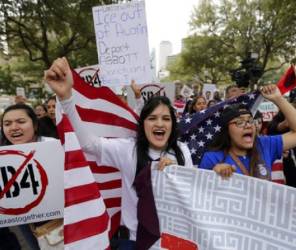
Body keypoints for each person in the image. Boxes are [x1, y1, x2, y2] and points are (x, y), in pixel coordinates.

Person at [44, 57, 193, 249]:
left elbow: (191, 196)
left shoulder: (182, 151)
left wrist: (178, 175)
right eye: (152, 118)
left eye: (166, 118)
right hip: (134, 240)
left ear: (173, 124)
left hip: (174, 240)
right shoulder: (127, 149)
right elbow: (89, 144)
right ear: (143, 124)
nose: (159, 124)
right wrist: (66, 99)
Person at [198, 85, 296, 180]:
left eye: (251, 121)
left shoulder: (265, 144)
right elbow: (199, 192)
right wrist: (213, 175)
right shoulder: (211, 158)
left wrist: (278, 99)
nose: (248, 125)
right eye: (239, 122)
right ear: (227, 130)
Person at [1, 103, 63, 250]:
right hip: (27, 221)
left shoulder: (54, 146)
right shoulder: (4, 154)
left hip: (61, 223)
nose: (14, 127)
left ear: (35, 125)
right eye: (7, 124)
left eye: (21, 122)